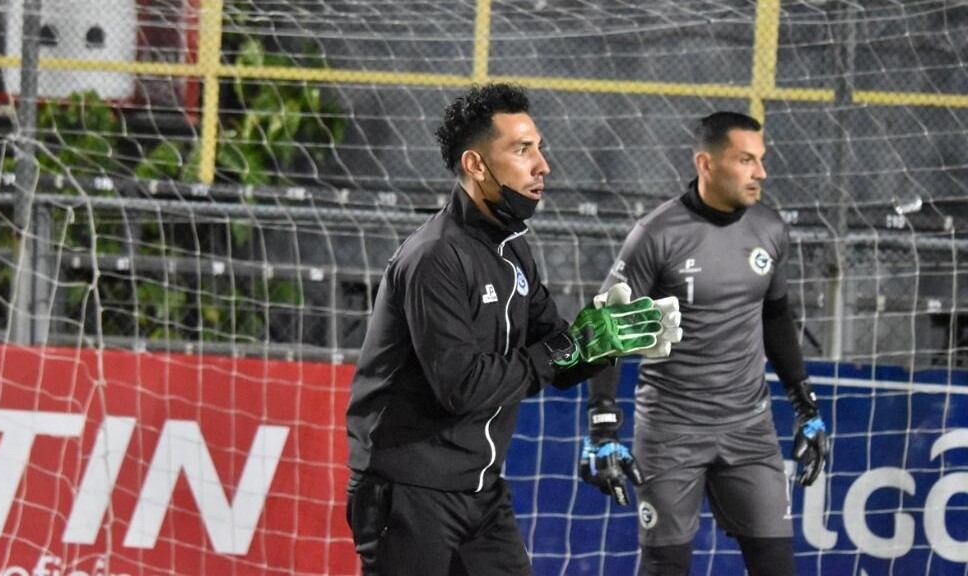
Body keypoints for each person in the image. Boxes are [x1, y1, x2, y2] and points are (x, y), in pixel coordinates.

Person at [345, 83, 669, 575]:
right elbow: (462, 386)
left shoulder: (513, 248)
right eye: (522, 150)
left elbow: (555, 354)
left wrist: (603, 343)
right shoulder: (435, 258)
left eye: (539, 147)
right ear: (476, 165)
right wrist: (566, 347)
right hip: (409, 492)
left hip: (481, 491)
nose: (543, 165)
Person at [580, 111, 829, 576]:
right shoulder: (656, 234)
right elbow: (604, 325)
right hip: (672, 429)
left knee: (777, 565)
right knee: (665, 567)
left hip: (750, 428)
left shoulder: (771, 230)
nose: (761, 173)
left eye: (762, 160)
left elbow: (775, 316)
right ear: (706, 164)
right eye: (746, 160)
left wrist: (805, 404)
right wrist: (602, 430)